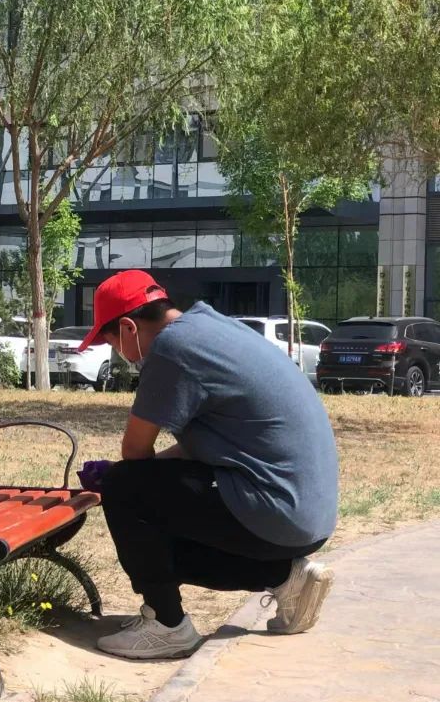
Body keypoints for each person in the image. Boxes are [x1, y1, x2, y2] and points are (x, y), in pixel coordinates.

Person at [77, 270, 337, 660]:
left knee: (123, 488)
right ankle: (286, 577)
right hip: (306, 513)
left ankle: (166, 626)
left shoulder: (171, 349)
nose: (117, 352)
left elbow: (135, 451)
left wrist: (116, 480)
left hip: (276, 511)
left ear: (129, 327)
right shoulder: (211, 327)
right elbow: (199, 448)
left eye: (111, 340)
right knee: (152, 527)